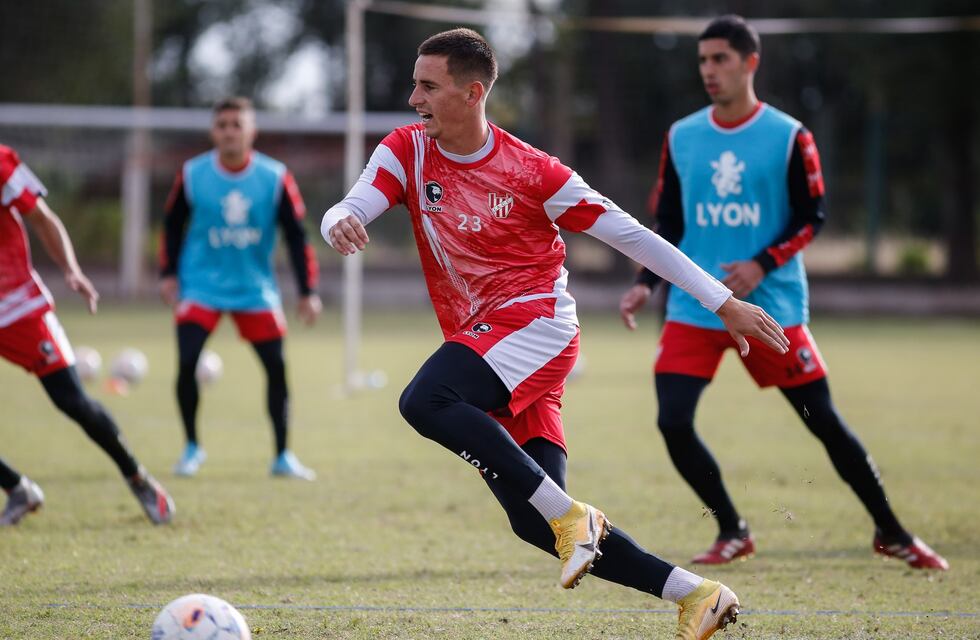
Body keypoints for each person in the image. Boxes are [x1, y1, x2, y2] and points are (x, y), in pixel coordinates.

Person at [321, 29, 793, 639]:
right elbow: (353, 203)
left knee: (425, 399)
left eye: (427, 86)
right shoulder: (407, 150)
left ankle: (573, 516)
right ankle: (695, 593)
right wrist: (340, 221)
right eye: (415, 84)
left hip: (537, 325)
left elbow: (633, 236)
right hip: (492, 344)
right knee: (531, 520)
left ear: (472, 93)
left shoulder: (533, 172)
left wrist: (723, 302)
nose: (414, 98)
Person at [619, 15, 948, 570]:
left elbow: (812, 215)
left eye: (720, 59)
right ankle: (732, 530)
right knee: (672, 420)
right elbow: (668, 223)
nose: (709, 70)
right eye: (703, 60)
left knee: (823, 421)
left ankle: (892, 533)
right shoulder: (682, 136)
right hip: (696, 306)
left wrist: (761, 263)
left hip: (771, 308)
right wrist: (644, 284)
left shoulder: (791, 135)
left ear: (751, 62)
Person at [0, 143, 174, 526]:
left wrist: (71, 269)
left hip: (17, 306)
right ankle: (17, 489)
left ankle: (137, 477)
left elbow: (42, 219)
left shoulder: (1, 161)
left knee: (72, 401)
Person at [160, 97, 322, 480]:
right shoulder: (193, 173)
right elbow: (171, 225)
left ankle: (283, 456)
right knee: (186, 362)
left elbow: (297, 237)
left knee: (277, 368)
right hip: (201, 284)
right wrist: (168, 273)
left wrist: (307, 290)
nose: (230, 131)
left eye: (237, 124)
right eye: (223, 125)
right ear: (213, 131)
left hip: (254, 288)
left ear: (251, 131)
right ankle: (191, 448)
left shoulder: (274, 176)